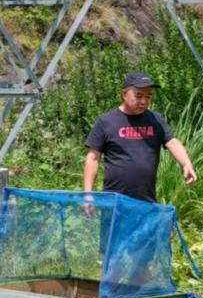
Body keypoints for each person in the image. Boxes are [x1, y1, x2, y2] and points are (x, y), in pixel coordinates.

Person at [83, 71, 197, 203]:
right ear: (124, 94)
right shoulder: (106, 122)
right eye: (139, 96)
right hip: (114, 203)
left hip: (146, 202)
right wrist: (87, 195)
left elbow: (172, 142)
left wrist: (186, 163)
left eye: (148, 96)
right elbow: (92, 158)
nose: (144, 101)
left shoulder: (155, 119)